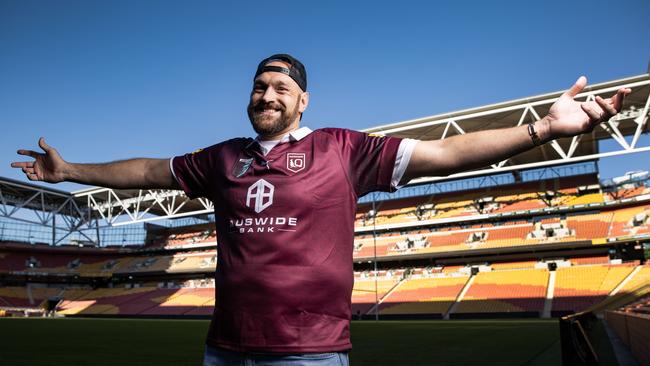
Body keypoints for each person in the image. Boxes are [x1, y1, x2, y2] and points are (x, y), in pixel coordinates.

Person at [11, 54, 630, 366]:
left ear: (303, 101)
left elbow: (445, 154)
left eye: (281, 87)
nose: (267, 94)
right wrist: (69, 171)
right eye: (259, 86)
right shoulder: (221, 158)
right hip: (224, 348)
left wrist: (545, 129)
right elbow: (149, 170)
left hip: (308, 353)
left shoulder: (343, 149)